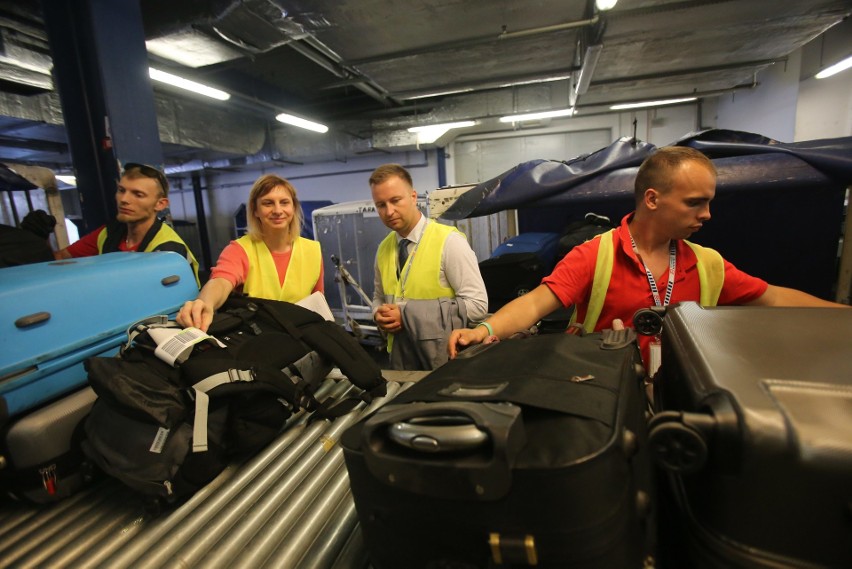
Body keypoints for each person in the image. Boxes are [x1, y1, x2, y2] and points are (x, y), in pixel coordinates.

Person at [449, 146, 848, 372]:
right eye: (695, 203)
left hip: (684, 398)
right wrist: (483, 332)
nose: (707, 214)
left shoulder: (707, 265)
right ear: (653, 199)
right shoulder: (596, 255)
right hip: (602, 396)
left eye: (709, 202)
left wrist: (842, 314)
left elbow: (773, 298)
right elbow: (537, 302)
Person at [370, 163, 488, 370]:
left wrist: (407, 315)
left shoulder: (449, 242)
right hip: (401, 359)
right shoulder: (384, 249)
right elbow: (379, 297)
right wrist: (377, 314)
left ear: (413, 197)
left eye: (396, 200)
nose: (389, 211)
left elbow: (478, 306)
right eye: (381, 205)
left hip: (443, 360)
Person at [177, 173, 323, 332]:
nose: (278, 210)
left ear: (293, 208)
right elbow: (220, 282)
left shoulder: (313, 250)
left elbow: (318, 304)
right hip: (258, 340)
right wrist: (205, 303)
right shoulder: (239, 250)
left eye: (284, 202)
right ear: (255, 211)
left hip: (302, 338)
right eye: (268, 203)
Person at [54, 162, 200, 285]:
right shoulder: (108, 233)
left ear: (160, 204)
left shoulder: (168, 250)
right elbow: (61, 258)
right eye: (121, 190)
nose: (124, 199)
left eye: (138, 194)